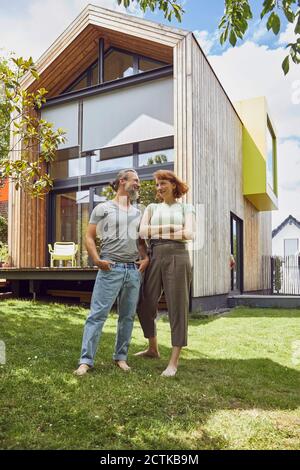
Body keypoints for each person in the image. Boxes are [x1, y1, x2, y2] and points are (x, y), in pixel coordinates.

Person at [74, 169, 149, 376]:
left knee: (127, 317)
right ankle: (86, 360)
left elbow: (140, 241)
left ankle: (121, 357)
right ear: (122, 181)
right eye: (135, 181)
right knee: (97, 315)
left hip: (132, 271)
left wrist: (145, 257)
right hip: (110, 268)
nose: (138, 184)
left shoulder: (138, 212)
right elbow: (89, 237)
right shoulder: (103, 208)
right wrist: (97, 259)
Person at [136, 170, 195, 377]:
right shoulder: (151, 207)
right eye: (157, 184)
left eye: (163, 183)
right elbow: (143, 232)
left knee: (177, 306)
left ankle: (173, 362)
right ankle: (153, 348)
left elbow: (189, 234)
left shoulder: (186, 208)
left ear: (173, 184)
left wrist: (159, 229)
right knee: (144, 302)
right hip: (154, 255)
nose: (159, 188)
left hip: (178, 256)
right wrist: (172, 228)